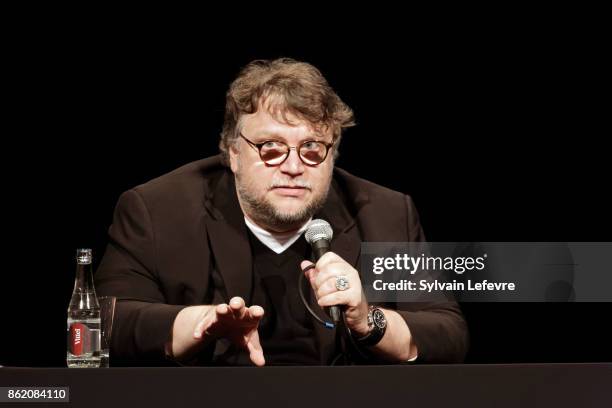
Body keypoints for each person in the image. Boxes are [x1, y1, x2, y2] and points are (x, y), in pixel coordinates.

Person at [95, 58, 468, 366]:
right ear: (233, 153)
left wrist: (368, 320)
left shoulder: (385, 213)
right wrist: (200, 323)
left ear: (332, 154)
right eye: (271, 147)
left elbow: (448, 333)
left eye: (311, 148)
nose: (293, 166)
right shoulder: (158, 210)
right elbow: (101, 325)